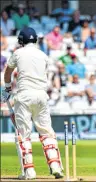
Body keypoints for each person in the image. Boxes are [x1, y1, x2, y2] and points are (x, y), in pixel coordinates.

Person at [0, 27, 63, 179]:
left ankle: (29, 171)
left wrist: (7, 88)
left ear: (21, 41)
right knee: (46, 132)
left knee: (23, 135)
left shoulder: (18, 53)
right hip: (41, 96)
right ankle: (55, 166)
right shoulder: (43, 55)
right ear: (35, 40)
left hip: (24, 96)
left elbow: (8, 72)